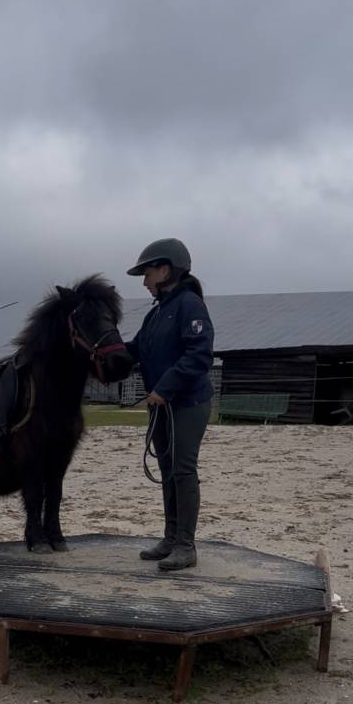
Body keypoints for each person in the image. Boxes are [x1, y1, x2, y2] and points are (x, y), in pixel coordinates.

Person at [125, 238, 214, 570]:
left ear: (165, 270)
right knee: (167, 471)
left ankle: (186, 546)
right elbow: (135, 349)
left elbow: (199, 355)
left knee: (183, 470)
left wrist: (164, 388)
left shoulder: (190, 305)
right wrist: (101, 353)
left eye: (147, 274)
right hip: (161, 407)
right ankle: (170, 537)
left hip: (187, 403)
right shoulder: (157, 313)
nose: (145, 282)